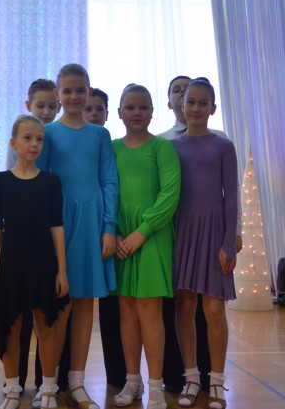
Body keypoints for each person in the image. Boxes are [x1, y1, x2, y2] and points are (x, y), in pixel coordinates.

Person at [35, 63, 118, 409]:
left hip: (91, 223)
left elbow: (109, 181)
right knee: (58, 303)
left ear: (89, 92)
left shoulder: (99, 135)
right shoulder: (48, 133)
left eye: (79, 91)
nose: (73, 96)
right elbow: (39, 180)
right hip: (59, 223)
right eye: (67, 91)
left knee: (84, 303)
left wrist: (109, 227)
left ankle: (78, 381)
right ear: (57, 94)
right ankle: (49, 382)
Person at [0, 115, 71, 409]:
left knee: (46, 325)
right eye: (27, 138)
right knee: (11, 326)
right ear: (14, 142)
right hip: (11, 264)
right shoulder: (0, 181)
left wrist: (62, 270)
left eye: (39, 139)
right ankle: (12, 388)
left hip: (44, 263)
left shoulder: (51, 181)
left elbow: (56, 226)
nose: (34, 144)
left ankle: (48, 387)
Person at [111, 85, 180, 409]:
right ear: (119, 113)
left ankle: (156, 386)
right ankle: (132, 380)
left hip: (152, 238)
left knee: (150, 310)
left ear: (152, 111)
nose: (137, 113)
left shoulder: (162, 147)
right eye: (130, 107)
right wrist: (115, 231)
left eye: (143, 107)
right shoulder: (112, 148)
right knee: (126, 309)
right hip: (121, 239)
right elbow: (108, 189)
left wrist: (143, 231)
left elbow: (170, 194)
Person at [172, 79, 237, 409]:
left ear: (213, 108)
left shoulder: (222, 146)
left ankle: (217, 382)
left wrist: (229, 242)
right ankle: (191, 378)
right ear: (182, 106)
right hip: (182, 233)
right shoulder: (172, 147)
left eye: (202, 103)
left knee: (213, 309)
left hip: (214, 234)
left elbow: (231, 197)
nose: (196, 108)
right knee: (185, 307)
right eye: (191, 102)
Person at [1, 78, 61, 393]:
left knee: (45, 320)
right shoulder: (13, 154)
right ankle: (13, 382)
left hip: (43, 249)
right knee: (15, 321)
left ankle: (46, 383)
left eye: (52, 106)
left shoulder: (54, 145)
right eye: (41, 106)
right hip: (16, 251)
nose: (46, 111)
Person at [84, 87, 126, 390]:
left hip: (115, 235)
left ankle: (119, 377)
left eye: (99, 109)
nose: (94, 114)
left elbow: (113, 187)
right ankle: (60, 379)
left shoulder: (110, 145)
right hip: (81, 231)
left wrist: (111, 228)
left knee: (113, 308)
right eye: (89, 108)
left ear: (108, 114)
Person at [158, 75, 191, 140]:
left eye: (187, 89)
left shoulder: (213, 136)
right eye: (176, 90)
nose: (183, 90)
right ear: (169, 104)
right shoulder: (160, 140)